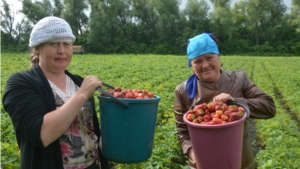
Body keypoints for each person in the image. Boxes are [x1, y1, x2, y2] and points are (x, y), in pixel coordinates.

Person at [2, 16, 110, 169]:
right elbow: (43, 134)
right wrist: (82, 95)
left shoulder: (78, 82)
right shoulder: (20, 83)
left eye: (66, 44)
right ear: (37, 49)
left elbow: (88, 133)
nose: (61, 51)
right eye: (53, 43)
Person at [173, 32, 276, 169]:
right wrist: (193, 154)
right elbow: (182, 132)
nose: (205, 65)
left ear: (219, 58)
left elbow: (269, 107)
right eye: (198, 61)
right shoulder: (183, 91)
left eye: (209, 57)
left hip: (240, 162)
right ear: (191, 65)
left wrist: (236, 102)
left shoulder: (240, 79)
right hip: (204, 162)